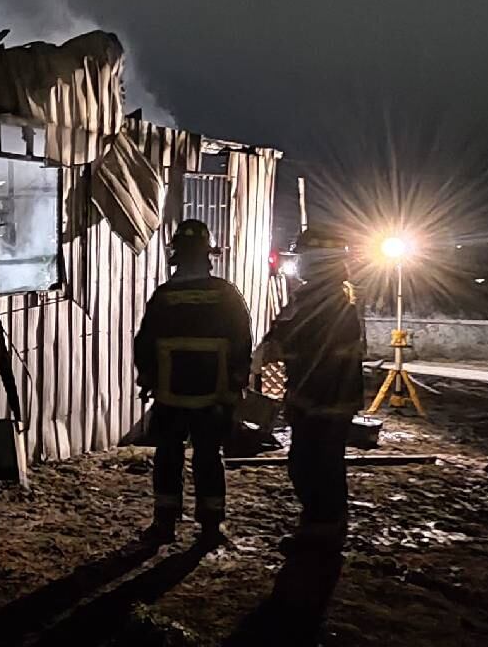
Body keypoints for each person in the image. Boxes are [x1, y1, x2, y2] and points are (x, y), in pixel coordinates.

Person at [135, 219, 254, 544]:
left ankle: (164, 523)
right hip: (212, 394)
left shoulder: (164, 295)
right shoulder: (226, 295)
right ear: (207, 255)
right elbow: (242, 340)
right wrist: (235, 380)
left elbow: (144, 341)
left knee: (168, 455)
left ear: (176, 256)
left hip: (170, 393)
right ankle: (211, 526)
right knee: (208, 457)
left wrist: (146, 375)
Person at [254, 226, 365, 552]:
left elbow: (294, 338)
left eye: (303, 256)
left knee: (316, 466)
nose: (299, 263)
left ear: (319, 259)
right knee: (313, 464)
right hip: (319, 397)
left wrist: (272, 346)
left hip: (323, 400)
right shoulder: (324, 296)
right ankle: (321, 527)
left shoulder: (327, 301)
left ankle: (323, 533)